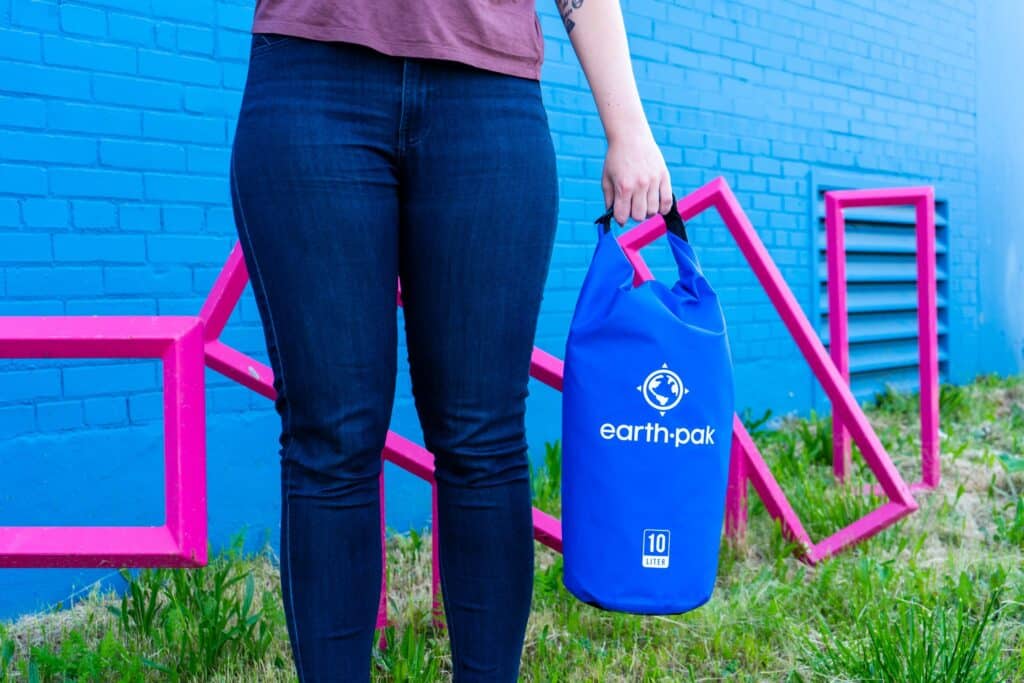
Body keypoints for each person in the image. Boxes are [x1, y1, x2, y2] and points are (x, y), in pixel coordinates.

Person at [229, 0, 674, 680]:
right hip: (311, 75)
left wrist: (629, 125)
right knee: (331, 438)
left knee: (483, 440)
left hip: (487, 94)